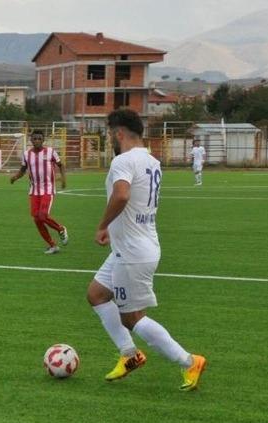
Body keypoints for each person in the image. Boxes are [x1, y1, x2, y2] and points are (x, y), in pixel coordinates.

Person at [87, 109, 206, 391]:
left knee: (132, 318)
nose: (108, 140)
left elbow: (122, 194)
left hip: (132, 252)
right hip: (133, 246)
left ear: (118, 133)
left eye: (108, 134)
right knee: (96, 294)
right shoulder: (152, 161)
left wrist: (103, 225)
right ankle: (130, 355)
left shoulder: (123, 160)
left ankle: (189, 361)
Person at [10, 130, 68, 254]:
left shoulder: (51, 152)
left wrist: (63, 179)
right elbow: (23, 170)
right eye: (34, 138)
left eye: (39, 139)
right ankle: (53, 245)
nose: (36, 141)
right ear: (31, 140)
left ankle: (60, 229)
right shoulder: (27, 154)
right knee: (37, 219)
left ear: (43, 140)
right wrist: (15, 177)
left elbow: (61, 165)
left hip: (47, 189)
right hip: (34, 191)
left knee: (42, 216)